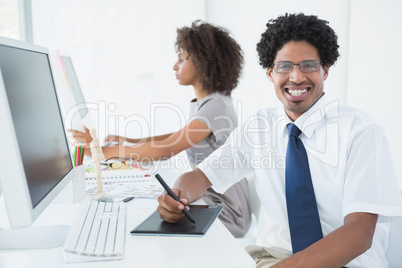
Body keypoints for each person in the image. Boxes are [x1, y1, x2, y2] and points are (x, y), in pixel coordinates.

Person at [157, 13, 402, 267]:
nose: (296, 77)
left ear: (325, 70)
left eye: (308, 65)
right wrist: (178, 196)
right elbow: (200, 177)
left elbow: (359, 235)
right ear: (270, 73)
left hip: (345, 262)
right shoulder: (259, 127)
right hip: (274, 257)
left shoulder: (361, 131)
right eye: (285, 66)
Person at [68, 20, 252, 238]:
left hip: (225, 211)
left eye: (182, 59)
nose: (175, 66)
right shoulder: (207, 103)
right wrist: (129, 141)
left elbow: (166, 149)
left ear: (204, 62)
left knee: (146, 214)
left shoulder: (216, 105)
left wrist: (100, 152)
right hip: (208, 198)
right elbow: (175, 136)